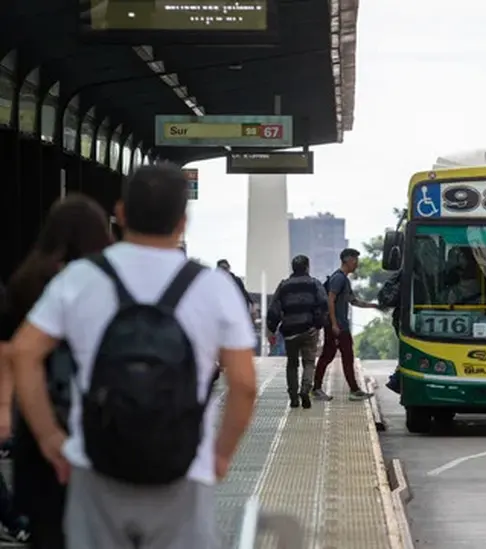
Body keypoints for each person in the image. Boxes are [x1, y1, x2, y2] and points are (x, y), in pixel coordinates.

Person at [9, 164, 258, 549]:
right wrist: (220, 455)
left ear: (121, 213)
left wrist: (48, 436)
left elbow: (24, 352)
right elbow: (243, 384)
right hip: (184, 470)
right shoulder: (213, 286)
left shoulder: (80, 277)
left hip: (95, 465)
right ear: (183, 221)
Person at [1, 195, 113, 548]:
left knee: (47, 526)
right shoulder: (107, 285)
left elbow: (8, 350)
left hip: (37, 420)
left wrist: (5, 410)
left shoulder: (24, 281)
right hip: (95, 423)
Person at [312, 248, 378, 401]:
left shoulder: (344, 280)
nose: (357, 264)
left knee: (344, 356)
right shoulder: (338, 278)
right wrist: (334, 324)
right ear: (348, 260)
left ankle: (353, 390)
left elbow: (353, 301)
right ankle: (318, 389)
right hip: (337, 326)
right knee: (330, 357)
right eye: (355, 260)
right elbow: (330, 300)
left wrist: (373, 305)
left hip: (341, 325)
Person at [266, 255, 328, 409]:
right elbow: (323, 303)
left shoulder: (284, 285)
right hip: (309, 330)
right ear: (307, 267)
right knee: (309, 362)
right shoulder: (314, 283)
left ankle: (293, 397)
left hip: (290, 331)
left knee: (292, 364)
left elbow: (274, 308)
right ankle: (305, 389)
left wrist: (271, 328)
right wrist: (318, 324)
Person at [377, 270, 403, 394]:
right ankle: (397, 380)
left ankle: (396, 379)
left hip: (401, 318)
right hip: (406, 319)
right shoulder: (410, 272)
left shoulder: (402, 273)